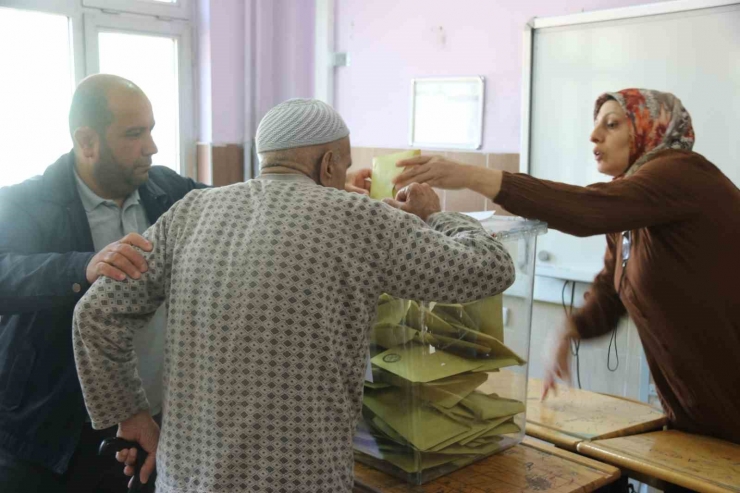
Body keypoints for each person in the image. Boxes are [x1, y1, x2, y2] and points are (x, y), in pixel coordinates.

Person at [72, 98, 516, 492]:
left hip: (186, 479)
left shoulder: (190, 212)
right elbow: (489, 268)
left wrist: (130, 414)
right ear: (327, 166)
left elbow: (94, 315)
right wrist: (433, 217)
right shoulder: (359, 220)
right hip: (301, 478)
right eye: (341, 166)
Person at [394, 88, 740, 444]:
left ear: (651, 129)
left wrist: (474, 176)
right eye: (595, 125)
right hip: (699, 417)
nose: (594, 135)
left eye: (612, 124)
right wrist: (570, 328)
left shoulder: (681, 174)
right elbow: (611, 289)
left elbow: (587, 209)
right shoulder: (634, 202)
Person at [0, 74, 208, 492]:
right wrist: (82, 268)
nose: (151, 146)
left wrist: (328, 196)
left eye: (151, 130)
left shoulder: (169, 190)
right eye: (134, 134)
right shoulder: (22, 203)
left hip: (150, 422)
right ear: (87, 141)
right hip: (51, 432)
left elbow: (243, 209)